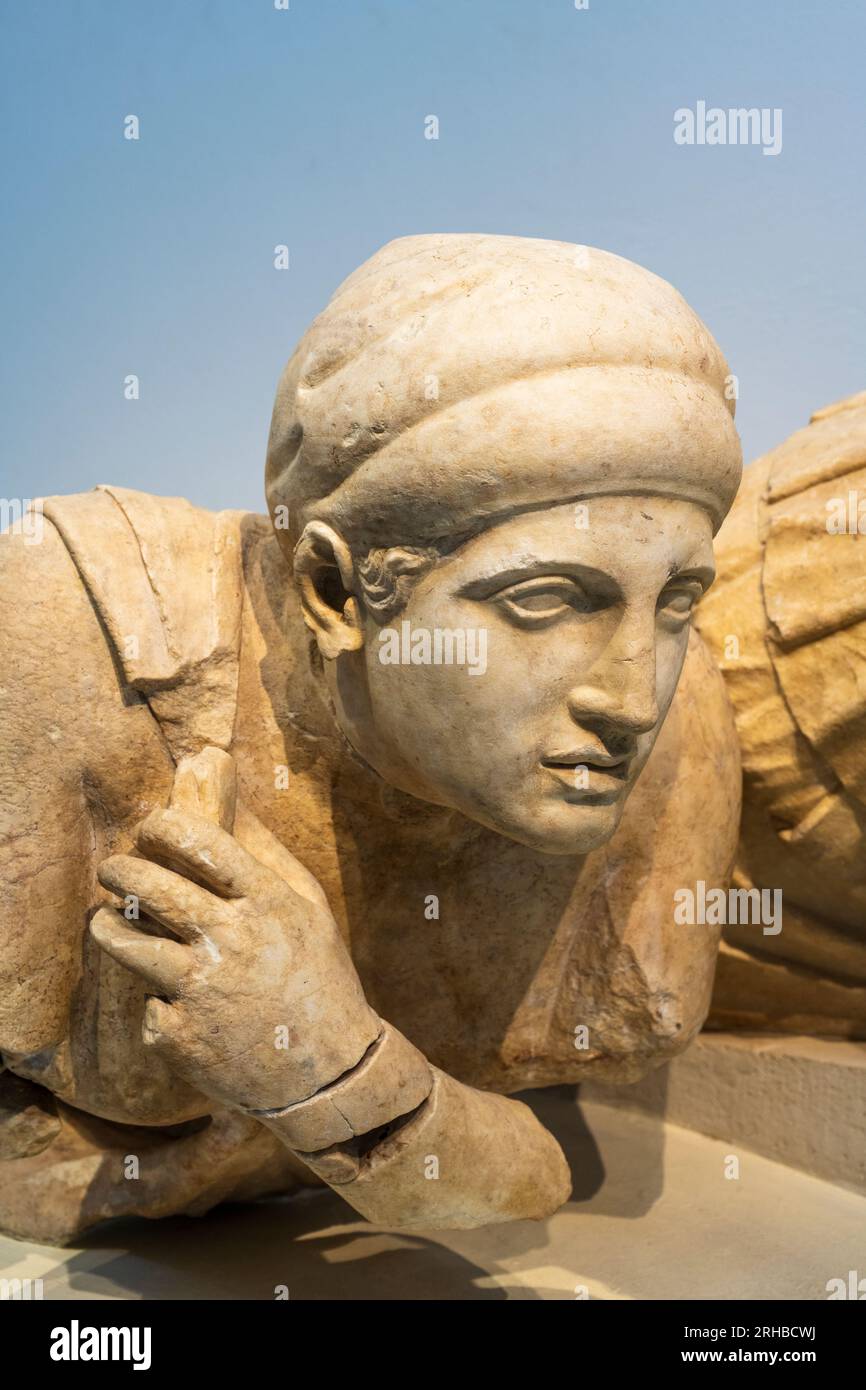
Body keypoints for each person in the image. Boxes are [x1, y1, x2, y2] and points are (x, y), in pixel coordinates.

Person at [0, 234, 743, 1240]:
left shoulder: (675, 725)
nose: (631, 694)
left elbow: (532, 1176)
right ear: (333, 590)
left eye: (676, 599)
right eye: (545, 599)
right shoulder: (62, 649)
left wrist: (326, 1064)